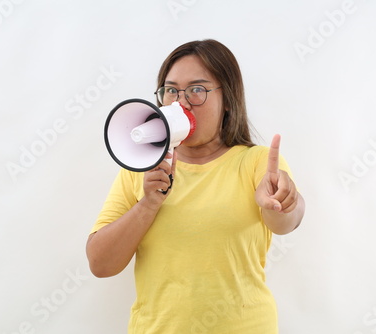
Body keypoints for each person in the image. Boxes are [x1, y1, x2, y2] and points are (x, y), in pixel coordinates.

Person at [86, 39, 305, 334]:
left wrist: (285, 201)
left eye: (197, 90)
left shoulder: (256, 163)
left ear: (228, 100)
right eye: (171, 90)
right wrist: (148, 203)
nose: (181, 102)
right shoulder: (139, 168)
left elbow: (284, 222)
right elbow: (101, 264)